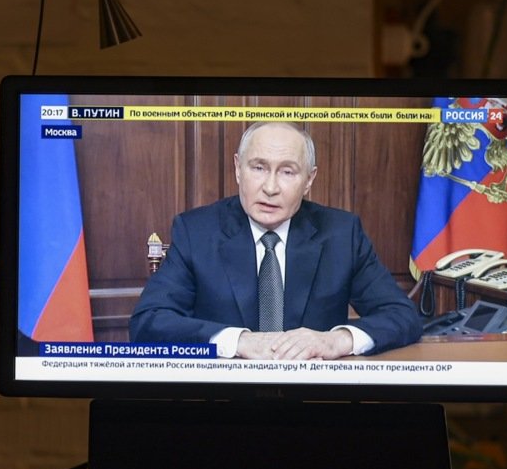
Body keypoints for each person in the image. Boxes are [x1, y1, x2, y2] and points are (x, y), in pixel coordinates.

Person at [129, 122, 422, 359]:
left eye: (287, 171)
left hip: (316, 405)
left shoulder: (341, 233)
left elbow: (401, 316)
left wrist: (338, 340)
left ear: (309, 180)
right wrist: (238, 342)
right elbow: (149, 322)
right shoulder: (196, 231)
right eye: (258, 168)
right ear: (237, 169)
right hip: (222, 404)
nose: (270, 187)